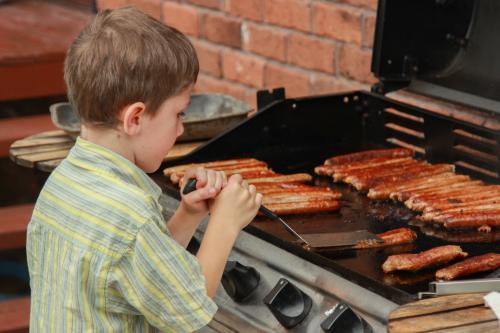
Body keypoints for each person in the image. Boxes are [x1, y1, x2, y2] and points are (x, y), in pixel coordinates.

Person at [26, 6, 262, 332]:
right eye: (178, 114)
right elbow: (186, 308)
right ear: (135, 118)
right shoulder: (130, 216)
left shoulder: (62, 184)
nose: (180, 129)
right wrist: (225, 223)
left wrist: (188, 215)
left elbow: (141, 272)